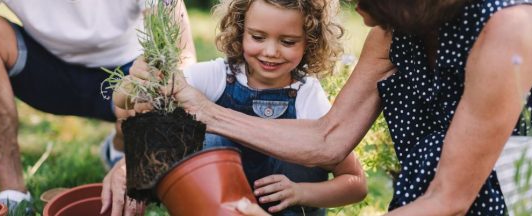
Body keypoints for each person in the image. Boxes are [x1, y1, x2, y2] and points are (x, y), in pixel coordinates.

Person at [165, 0, 532, 215]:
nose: (360, 15)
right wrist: (207, 112)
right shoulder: (396, 26)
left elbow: (449, 200)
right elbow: (329, 138)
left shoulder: (511, 28)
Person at [104, 0, 368, 215]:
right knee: (206, 137)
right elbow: (126, 101)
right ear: (240, 30)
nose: (271, 51)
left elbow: (355, 184)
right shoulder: (218, 75)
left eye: (287, 42)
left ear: (309, 41)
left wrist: (302, 193)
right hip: (215, 205)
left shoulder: (307, 95)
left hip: (286, 210)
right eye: (257, 37)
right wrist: (135, 82)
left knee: (305, 150)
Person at [0, 0, 195, 214]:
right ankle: (14, 193)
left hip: (125, 76)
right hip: (46, 72)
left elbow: (182, 65)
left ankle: (121, 144)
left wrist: (140, 157)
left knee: (160, 76)